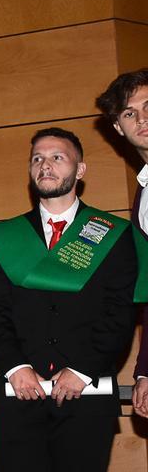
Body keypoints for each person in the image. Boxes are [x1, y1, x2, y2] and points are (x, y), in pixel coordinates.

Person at [0, 127, 140, 472]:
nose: (45, 165)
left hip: (86, 395)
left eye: (57, 158)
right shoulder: (4, 239)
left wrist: (82, 368)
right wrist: (14, 367)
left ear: (80, 169)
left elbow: (119, 312)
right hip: (20, 392)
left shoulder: (114, 235)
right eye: (37, 159)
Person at [93, 70, 148, 418]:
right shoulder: (143, 195)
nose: (142, 119)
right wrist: (145, 369)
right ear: (118, 127)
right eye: (130, 113)